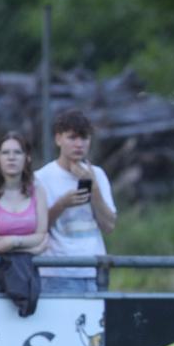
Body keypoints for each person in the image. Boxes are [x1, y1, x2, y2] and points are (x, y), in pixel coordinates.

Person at [35, 110, 116, 293]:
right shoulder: (41, 177)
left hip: (94, 270)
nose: (79, 144)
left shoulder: (99, 175)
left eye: (84, 138)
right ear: (58, 139)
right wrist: (61, 205)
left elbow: (109, 226)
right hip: (56, 273)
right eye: (72, 138)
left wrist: (92, 186)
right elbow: (36, 228)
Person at [0, 132, 49, 291]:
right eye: (5, 152)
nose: (11, 157)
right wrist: (33, 248)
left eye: (17, 152)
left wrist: (12, 242)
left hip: (26, 274)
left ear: (27, 158)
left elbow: (42, 236)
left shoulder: (38, 191)